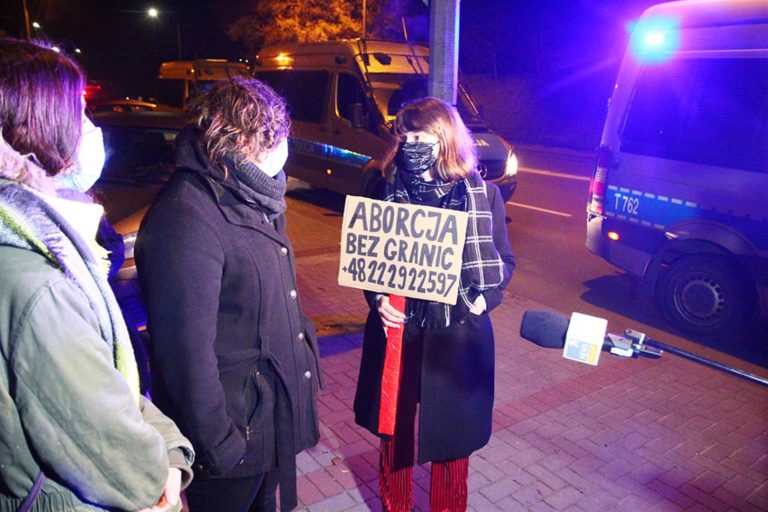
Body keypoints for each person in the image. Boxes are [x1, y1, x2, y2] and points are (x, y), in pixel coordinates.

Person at [0, 38, 194, 511]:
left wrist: (167, 441)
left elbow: (106, 375)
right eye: (78, 114)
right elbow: (106, 441)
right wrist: (163, 464)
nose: (90, 129)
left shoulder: (40, 242)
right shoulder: (38, 279)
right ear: (36, 128)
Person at [135, 78, 321, 512]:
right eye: (273, 139)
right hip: (232, 443)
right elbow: (184, 355)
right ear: (239, 140)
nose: (283, 149)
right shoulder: (187, 215)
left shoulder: (252, 192)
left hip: (266, 422)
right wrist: (222, 445)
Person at [353, 97, 516, 512]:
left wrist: (484, 300)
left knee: (451, 441)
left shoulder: (483, 196)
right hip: (400, 332)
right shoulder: (382, 187)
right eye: (404, 134)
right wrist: (377, 300)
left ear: (443, 138)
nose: (411, 142)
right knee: (397, 434)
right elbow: (369, 261)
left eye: (421, 134)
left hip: (456, 336)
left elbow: (504, 263)